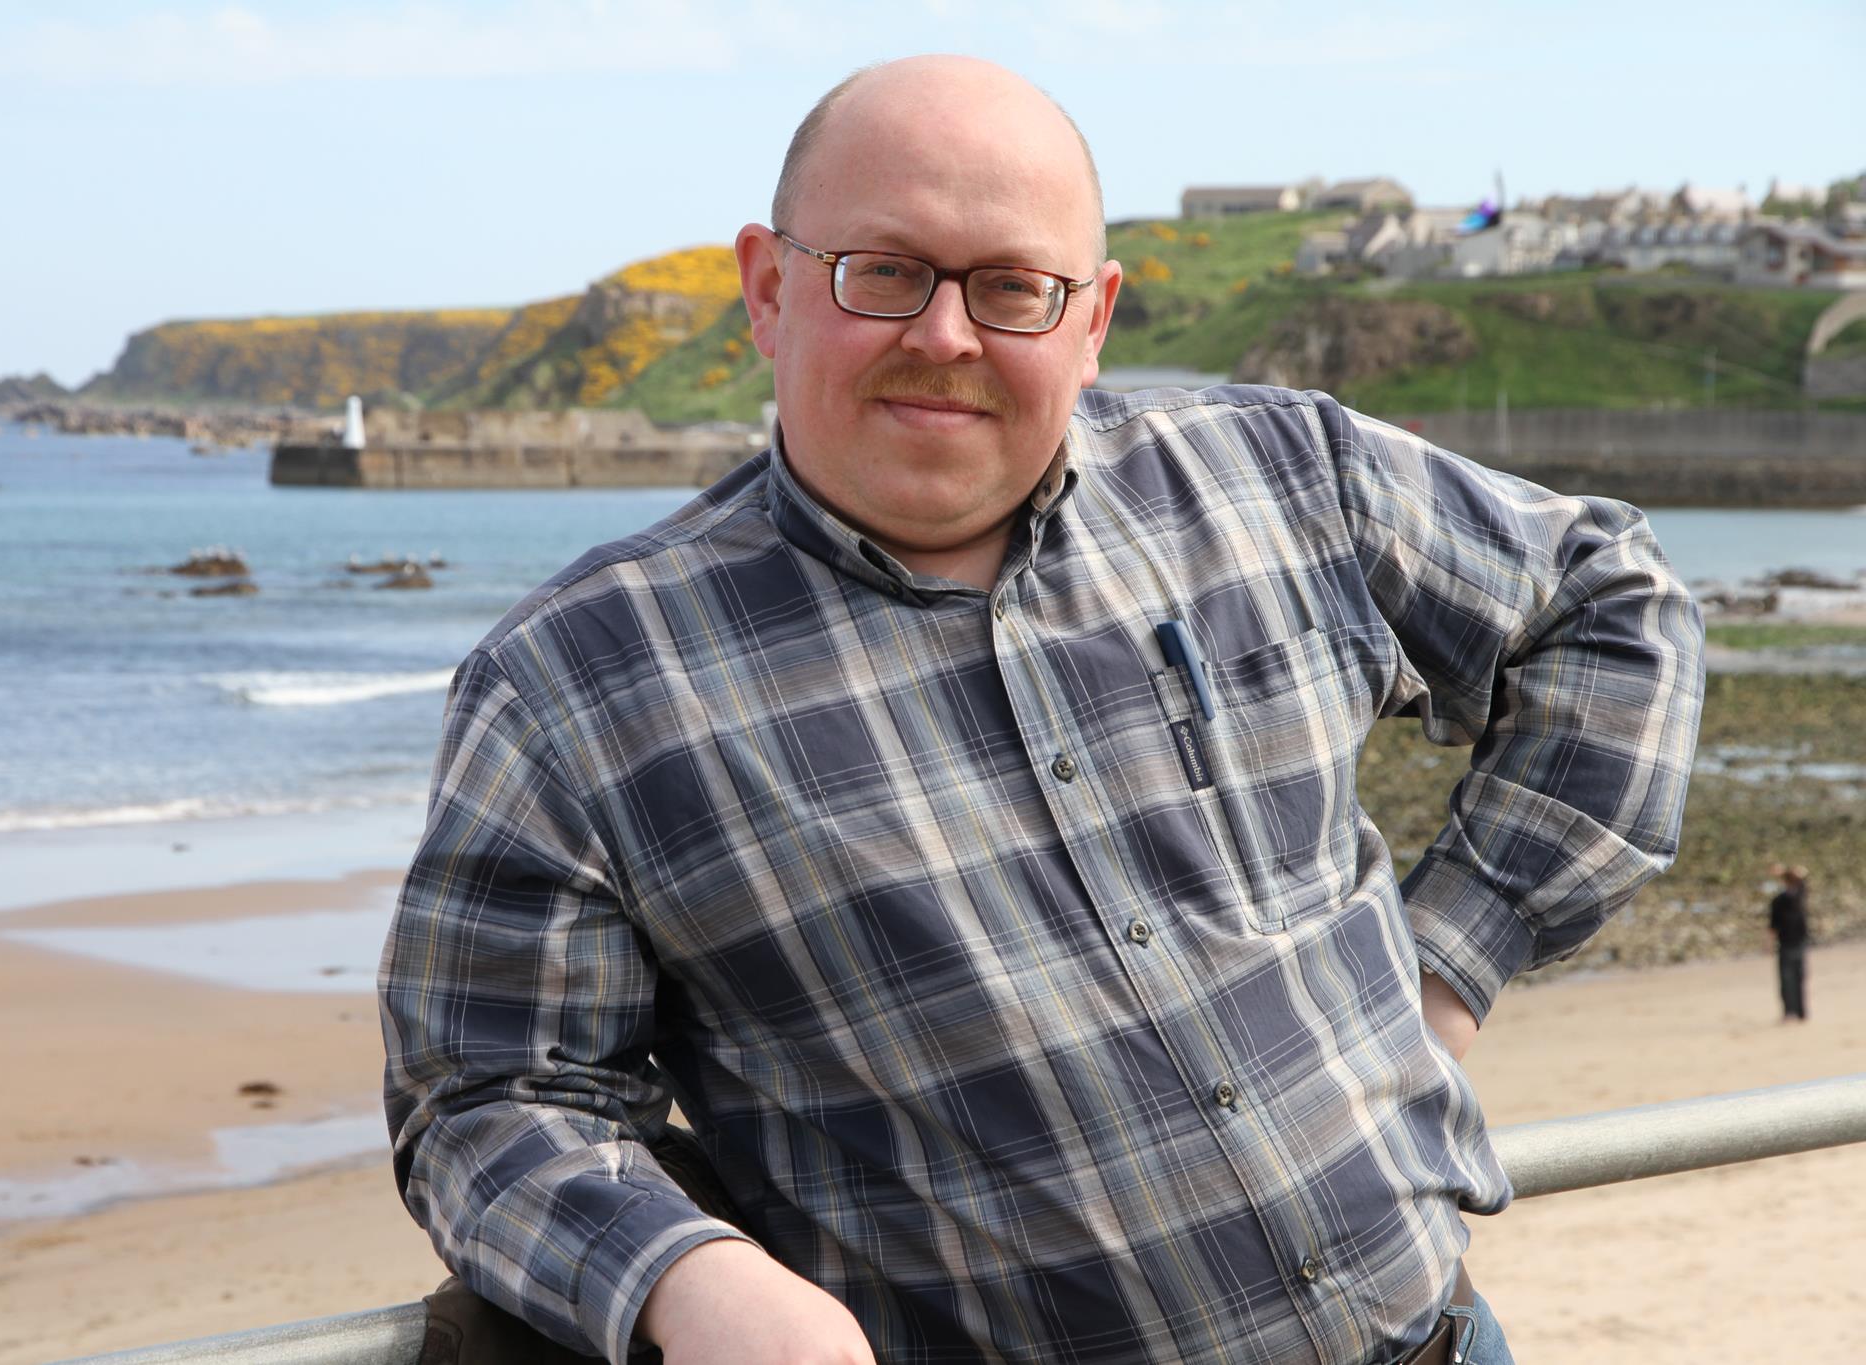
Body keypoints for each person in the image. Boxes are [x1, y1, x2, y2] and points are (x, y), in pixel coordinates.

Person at [380, 55, 1705, 1364]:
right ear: (769, 290)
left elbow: (1609, 601)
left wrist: (1453, 960)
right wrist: (687, 1277)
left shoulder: (1277, 478)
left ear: (1092, 317)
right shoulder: (575, 684)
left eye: (1012, 286)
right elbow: (491, 1097)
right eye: (884, 272)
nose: (945, 336)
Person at [1768, 863, 1810, 1022]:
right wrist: (1769, 944)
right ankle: (1789, 1012)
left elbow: (1803, 873)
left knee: (1798, 978)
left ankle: (1799, 1012)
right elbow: (1773, 926)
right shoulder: (1779, 900)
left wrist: (1784, 871)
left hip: (1798, 943)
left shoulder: (1799, 895)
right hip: (1786, 944)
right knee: (1788, 980)